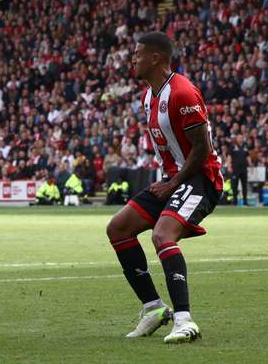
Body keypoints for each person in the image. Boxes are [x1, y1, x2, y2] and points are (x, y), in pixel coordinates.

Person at [105, 32, 223, 344]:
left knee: (162, 235)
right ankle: (154, 309)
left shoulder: (182, 92)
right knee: (118, 228)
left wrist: (174, 182)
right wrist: (169, 181)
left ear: (155, 58)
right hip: (174, 179)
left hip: (201, 180)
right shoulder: (149, 96)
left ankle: (185, 320)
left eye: (137, 53)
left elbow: (202, 149)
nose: (132, 59)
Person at [227, 135, 249, 206]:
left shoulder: (245, 147)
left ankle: (245, 201)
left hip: (244, 169)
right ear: (236, 139)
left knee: (244, 186)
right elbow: (229, 157)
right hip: (235, 169)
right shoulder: (232, 147)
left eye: (242, 138)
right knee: (234, 186)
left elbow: (248, 157)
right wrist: (229, 166)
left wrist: (251, 165)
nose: (241, 139)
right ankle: (235, 202)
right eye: (239, 138)